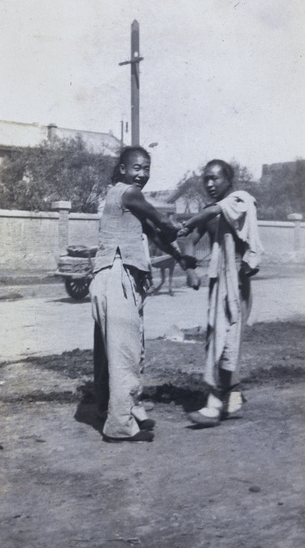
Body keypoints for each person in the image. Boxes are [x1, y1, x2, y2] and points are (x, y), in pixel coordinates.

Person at [90, 146, 196, 442]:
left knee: (118, 350)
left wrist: (180, 257)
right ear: (122, 169)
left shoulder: (129, 204)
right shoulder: (127, 192)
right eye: (137, 167)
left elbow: (155, 234)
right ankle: (120, 426)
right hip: (117, 276)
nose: (142, 174)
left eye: (146, 169)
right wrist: (177, 227)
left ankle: (124, 409)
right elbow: (161, 222)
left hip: (117, 278)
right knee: (125, 352)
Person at [178, 159, 262, 427]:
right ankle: (233, 398)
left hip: (238, 283)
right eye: (206, 179)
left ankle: (214, 405)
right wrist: (190, 269)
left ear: (229, 180)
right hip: (219, 283)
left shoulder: (240, 201)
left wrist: (190, 220)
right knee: (217, 338)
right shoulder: (210, 212)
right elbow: (189, 239)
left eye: (215, 178)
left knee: (228, 341)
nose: (210, 184)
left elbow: (206, 216)